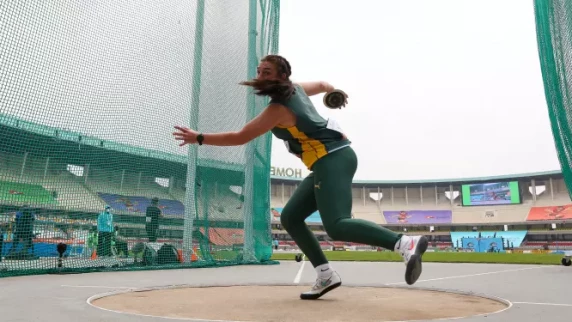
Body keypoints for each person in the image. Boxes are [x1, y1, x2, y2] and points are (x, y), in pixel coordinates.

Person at [172, 54, 429, 300]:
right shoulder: (296, 88)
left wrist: (199, 138)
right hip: (328, 161)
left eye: (267, 72)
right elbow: (321, 84)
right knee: (291, 217)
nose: (260, 76)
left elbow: (241, 136)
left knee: (337, 224)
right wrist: (331, 91)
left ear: (283, 75)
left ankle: (404, 243)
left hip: (332, 158)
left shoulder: (278, 109)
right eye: (259, 71)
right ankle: (326, 275)